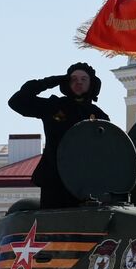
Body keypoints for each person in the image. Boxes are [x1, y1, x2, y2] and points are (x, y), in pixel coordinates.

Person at [8, 63, 111, 208]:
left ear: (91, 83)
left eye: (83, 79)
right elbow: (17, 102)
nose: (78, 82)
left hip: (86, 181)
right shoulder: (54, 106)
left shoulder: (99, 115)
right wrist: (51, 81)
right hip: (54, 178)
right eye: (73, 79)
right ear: (66, 82)